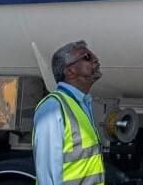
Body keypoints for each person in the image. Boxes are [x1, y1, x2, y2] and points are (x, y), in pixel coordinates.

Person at [34, 40, 107, 185]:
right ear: (69, 71)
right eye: (87, 57)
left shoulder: (82, 104)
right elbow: (47, 174)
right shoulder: (53, 107)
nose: (95, 59)